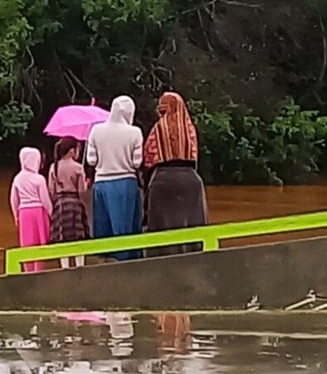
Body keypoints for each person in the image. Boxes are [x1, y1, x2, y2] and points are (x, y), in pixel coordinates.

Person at [142, 92, 208, 257]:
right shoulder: (190, 130)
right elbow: (195, 159)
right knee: (192, 227)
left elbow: (147, 159)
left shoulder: (157, 130)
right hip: (191, 180)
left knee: (162, 229)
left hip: (162, 180)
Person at [85, 95, 143, 260]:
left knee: (103, 228)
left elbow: (91, 160)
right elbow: (137, 162)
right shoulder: (135, 133)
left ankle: (105, 262)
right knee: (124, 229)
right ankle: (126, 264)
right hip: (125, 184)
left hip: (101, 184)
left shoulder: (96, 130)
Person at [48, 136, 89, 268]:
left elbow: (51, 190)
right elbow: (82, 191)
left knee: (62, 236)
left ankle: (64, 266)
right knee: (78, 236)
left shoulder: (53, 167)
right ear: (72, 151)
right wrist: (86, 183)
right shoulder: (78, 168)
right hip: (75, 203)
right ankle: (80, 265)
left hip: (60, 204)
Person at [9, 146, 53, 272]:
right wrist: (51, 214)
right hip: (38, 212)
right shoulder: (39, 179)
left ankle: (27, 271)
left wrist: (16, 216)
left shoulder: (17, 179)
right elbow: (45, 200)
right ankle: (38, 271)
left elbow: (13, 199)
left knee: (26, 244)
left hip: (24, 213)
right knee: (40, 244)